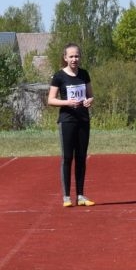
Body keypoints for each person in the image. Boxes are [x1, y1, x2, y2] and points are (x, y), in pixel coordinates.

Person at [47, 43, 95, 207]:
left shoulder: (84, 74)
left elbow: (91, 95)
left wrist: (89, 101)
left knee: (81, 158)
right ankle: (66, 197)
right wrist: (67, 102)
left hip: (83, 120)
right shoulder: (59, 76)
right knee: (68, 157)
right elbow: (51, 100)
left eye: (77, 56)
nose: (74, 59)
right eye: (71, 56)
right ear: (65, 58)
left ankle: (80, 195)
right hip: (67, 120)